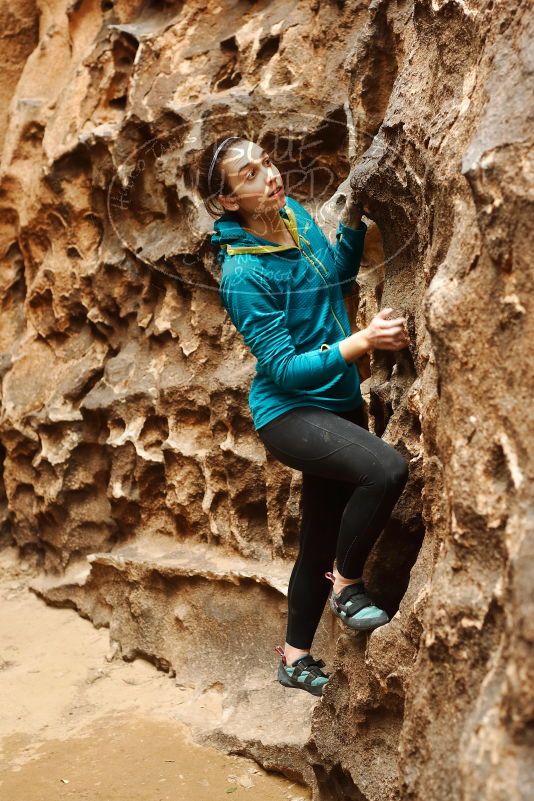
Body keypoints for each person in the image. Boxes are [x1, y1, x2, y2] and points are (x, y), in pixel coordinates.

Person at [187, 135, 410, 698]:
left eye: (265, 162)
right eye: (249, 174)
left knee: (316, 539)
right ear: (226, 202)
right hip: (289, 414)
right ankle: (348, 587)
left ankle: (294, 657)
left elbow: (335, 275)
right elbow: (283, 370)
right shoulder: (243, 276)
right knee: (385, 471)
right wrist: (363, 341)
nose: (269, 175)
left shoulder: (290, 214)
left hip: (338, 403)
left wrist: (357, 220)